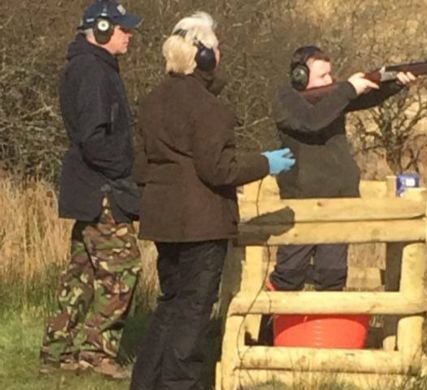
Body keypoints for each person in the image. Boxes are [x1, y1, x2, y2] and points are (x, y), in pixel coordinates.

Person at [129, 12, 295, 390]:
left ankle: (146, 383)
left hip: (163, 221)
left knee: (170, 303)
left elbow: (140, 166)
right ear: (203, 57)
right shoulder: (210, 107)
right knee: (193, 310)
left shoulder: (150, 101)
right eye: (216, 48)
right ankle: (179, 383)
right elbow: (218, 170)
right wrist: (264, 163)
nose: (220, 53)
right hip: (201, 223)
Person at [39, 0, 143, 380]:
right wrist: (125, 173)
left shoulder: (89, 67)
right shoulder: (93, 72)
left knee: (81, 276)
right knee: (124, 269)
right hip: (103, 189)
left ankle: (57, 350)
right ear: (100, 30)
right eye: (122, 29)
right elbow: (94, 138)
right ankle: (95, 351)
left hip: (88, 186)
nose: (129, 35)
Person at [269, 46, 416, 293]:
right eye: (322, 76)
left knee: (332, 276)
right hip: (303, 202)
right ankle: (268, 331)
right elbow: (312, 122)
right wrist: (347, 90)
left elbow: (365, 98)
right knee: (289, 276)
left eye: (330, 74)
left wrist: (395, 84)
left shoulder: (332, 100)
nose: (330, 81)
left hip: (340, 199)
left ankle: (326, 332)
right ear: (299, 77)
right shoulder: (286, 101)